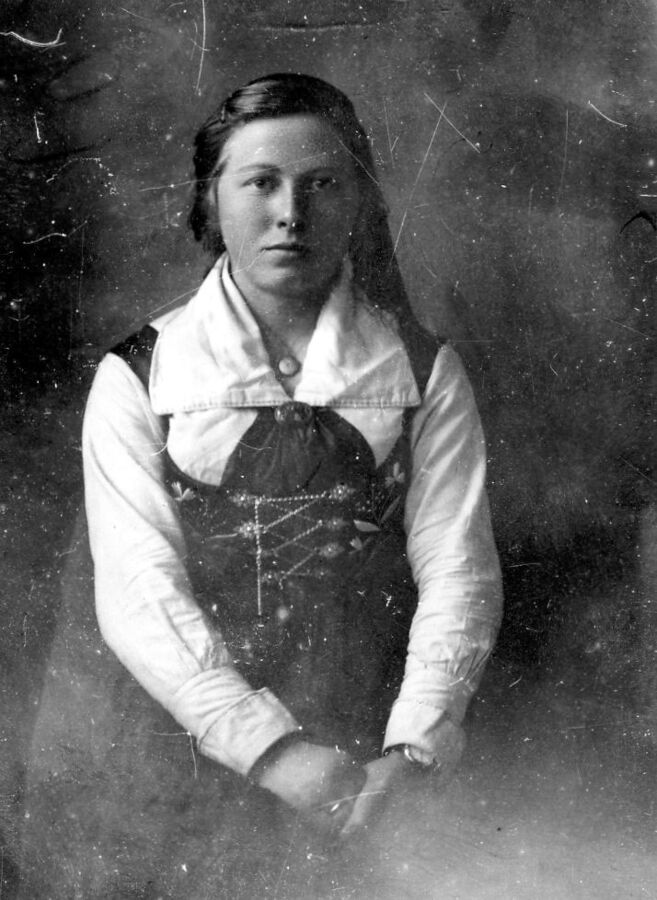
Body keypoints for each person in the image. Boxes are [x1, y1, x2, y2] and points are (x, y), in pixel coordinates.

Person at [19, 73, 503, 898]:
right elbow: (140, 591)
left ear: (359, 201)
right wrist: (270, 751)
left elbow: (458, 569)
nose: (291, 213)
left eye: (322, 184)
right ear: (212, 202)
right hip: (171, 754)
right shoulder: (138, 377)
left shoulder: (424, 373)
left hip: (363, 754)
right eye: (260, 183)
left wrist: (411, 748)